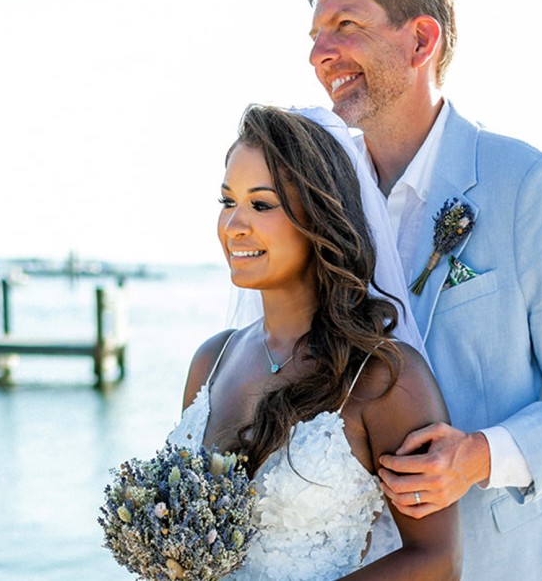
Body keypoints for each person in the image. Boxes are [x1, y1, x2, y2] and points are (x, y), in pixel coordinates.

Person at [306, 0, 542, 580]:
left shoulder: (524, 182)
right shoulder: (323, 203)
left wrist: (479, 457)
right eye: (316, 34)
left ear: (421, 41)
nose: (321, 54)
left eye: (345, 26)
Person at [168, 104, 461, 580]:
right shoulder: (211, 361)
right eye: (227, 202)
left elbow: (437, 560)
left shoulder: (385, 377)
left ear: (319, 218)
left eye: (261, 205)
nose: (233, 225)